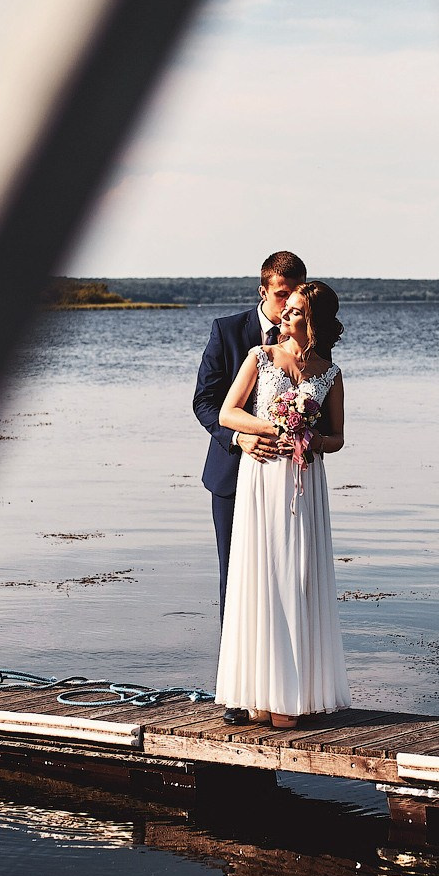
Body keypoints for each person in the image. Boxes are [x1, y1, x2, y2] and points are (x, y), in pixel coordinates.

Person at [214, 280, 350, 728]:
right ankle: (256, 693)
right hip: (264, 477)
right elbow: (227, 412)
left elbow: (338, 438)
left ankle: (294, 694)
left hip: (304, 481)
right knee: (262, 575)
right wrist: (273, 427)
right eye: (284, 308)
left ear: (312, 320)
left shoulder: (330, 371)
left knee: (298, 575)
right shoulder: (260, 356)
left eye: (294, 311)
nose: (284, 316)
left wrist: (310, 437)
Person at [194, 250, 306, 631]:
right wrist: (238, 436)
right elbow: (204, 402)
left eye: (295, 294)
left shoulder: (308, 342)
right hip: (230, 472)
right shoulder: (226, 330)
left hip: (283, 475)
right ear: (263, 290)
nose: (288, 303)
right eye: (281, 294)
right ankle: (232, 674)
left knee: (283, 570)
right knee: (235, 569)